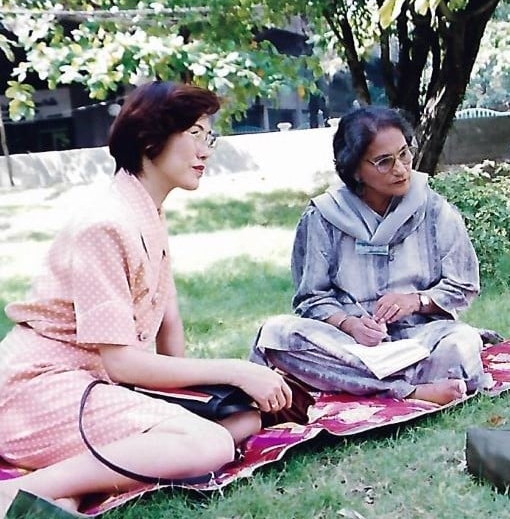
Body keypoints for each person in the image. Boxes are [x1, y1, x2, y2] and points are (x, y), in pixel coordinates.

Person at [0, 82, 294, 516]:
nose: (206, 150)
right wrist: (234, 370)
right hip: (41, 389)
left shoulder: (146, 209)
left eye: (208, 136)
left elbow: (167, 321)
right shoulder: (105, 223)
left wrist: (201, 396)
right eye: (195, 133)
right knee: (208, 443)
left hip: (99, 385)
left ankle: (70, 488)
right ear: (151, 139)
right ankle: (24, 492)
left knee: (242, 417)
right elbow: (122, 361)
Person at [251, 107, 490, 406]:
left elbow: (464, 285)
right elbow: (311, 297)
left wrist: (416, 300)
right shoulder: (323, 217)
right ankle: (411, 390)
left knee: (461, 344)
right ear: (354, 169)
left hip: (422, 335)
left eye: (404, 154)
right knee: (277, 334)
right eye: (384, 162)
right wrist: (351, 325)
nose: (401, 169)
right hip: (349, 344)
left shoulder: (433, 209)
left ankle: (346, 381)